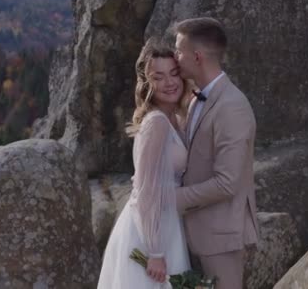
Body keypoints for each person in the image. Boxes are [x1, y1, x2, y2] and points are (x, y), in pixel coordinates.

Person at [174, 17, 259, 289]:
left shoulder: (231, 106)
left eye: (179, 51)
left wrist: (171, 199)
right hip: (193, 231)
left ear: (197, 56)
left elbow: (227, 182)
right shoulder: (195, 98)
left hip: (221, 237)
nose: (175, 57)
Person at [97, 45, 193, 289]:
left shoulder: (175, 118)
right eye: (158, 77)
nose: (169, 82)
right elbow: (145, 189)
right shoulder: (156, 123)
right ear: (146, 83)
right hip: (150, 232)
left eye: (173, 73)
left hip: (167, 221)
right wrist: (156, 251)